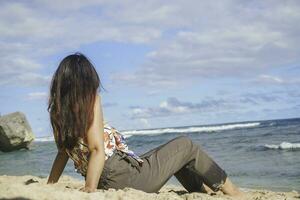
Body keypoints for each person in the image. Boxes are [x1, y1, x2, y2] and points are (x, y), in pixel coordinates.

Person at [46, 53, 245, 198]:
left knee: (175, 156)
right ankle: (234, 192)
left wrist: (50, 184)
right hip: (123, 178)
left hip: (111, 177)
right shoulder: (91, 99)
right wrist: (89, 189)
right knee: (185, 145)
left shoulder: (57, 110)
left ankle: (204, 192)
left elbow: (63, 152)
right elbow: (97, 149)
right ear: (86, 80)